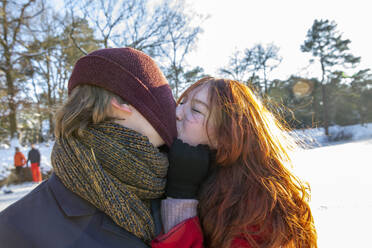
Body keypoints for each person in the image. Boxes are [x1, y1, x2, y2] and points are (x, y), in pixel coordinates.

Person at [0, 47, 177, 248]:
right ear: (121, 103)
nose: (176, 111)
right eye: (165, 99)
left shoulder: (182, 184)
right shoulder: (14, 231)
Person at [152, 77, 318, 248]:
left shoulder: (259, 207)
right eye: (181, 102)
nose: (177, 113)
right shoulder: (164, 164)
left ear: (227, 135)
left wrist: (181, 197)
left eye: (196, 110)